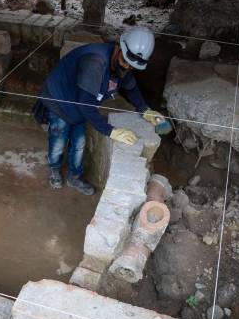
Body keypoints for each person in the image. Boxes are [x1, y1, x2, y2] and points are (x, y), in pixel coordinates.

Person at [32, 25, 169, 195]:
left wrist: (145, 110)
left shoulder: (122, 65)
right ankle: (54, 168)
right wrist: (110, 131)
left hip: (79, 100)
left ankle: (74, 177)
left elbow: (131, 87)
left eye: (131, 66)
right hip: (60, 98)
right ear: (119, 48)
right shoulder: (95, 62)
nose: (126, 67)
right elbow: (85, 105)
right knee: (59, 138)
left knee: (79, 142)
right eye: (125, 61)